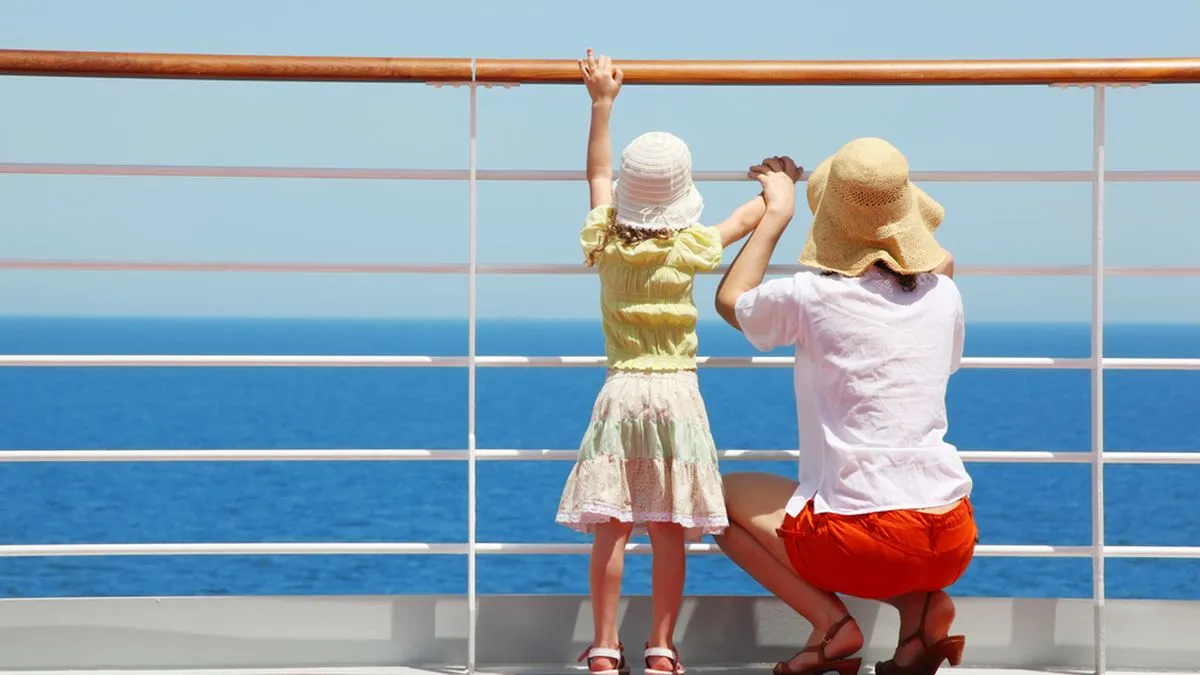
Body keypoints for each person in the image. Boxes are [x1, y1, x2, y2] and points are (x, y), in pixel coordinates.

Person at [555, 50, 797, 675]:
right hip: (678, 395)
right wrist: (776, 188)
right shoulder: (691, 246)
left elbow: (598, 172)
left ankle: (605, 646)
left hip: (621, 392)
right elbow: (748, 219)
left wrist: (602, 103)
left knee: (612, 526)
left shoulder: (604, 241)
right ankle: (662, 646)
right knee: (669, 526)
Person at [712, 140, 976, 675]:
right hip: (949, 533)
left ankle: (832, 626)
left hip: (859, 541)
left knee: (715, 500)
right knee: (888, 541)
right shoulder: (943, 294)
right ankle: (917, 609)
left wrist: (777, 212)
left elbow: (731, 301)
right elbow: (937, 272)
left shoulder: (809, 295)